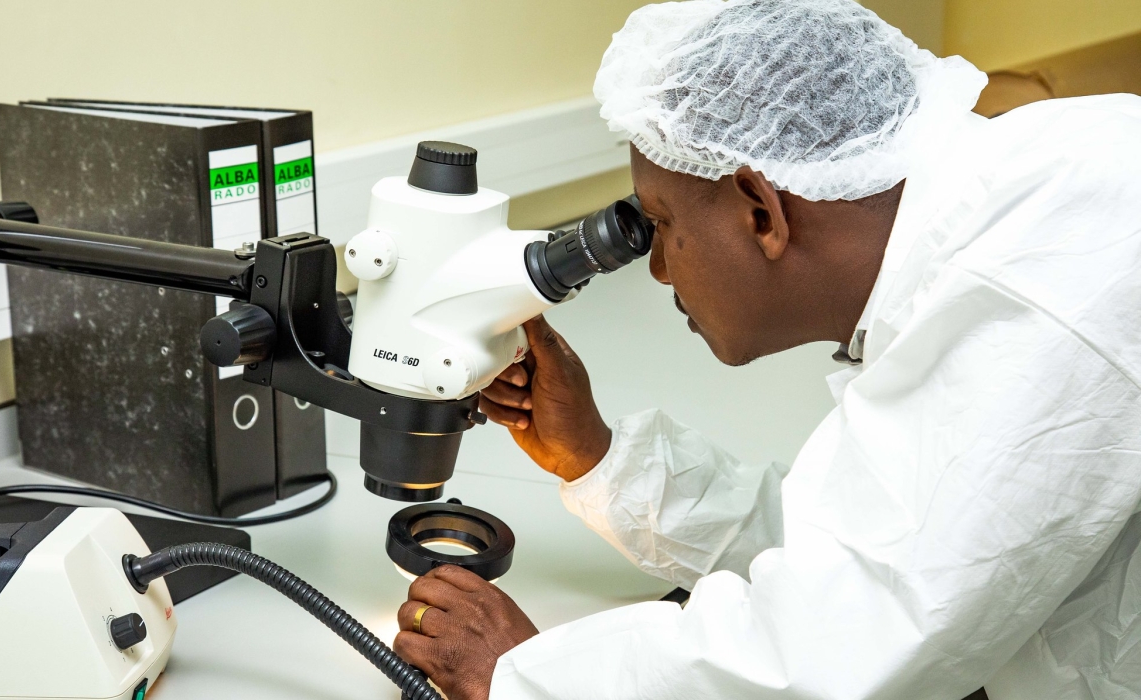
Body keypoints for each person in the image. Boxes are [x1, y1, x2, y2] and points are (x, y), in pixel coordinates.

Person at [392, 1, 1141, 698]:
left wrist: (529, 679)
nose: (656, 267)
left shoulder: (1032, 275)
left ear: (761, 211)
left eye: (662, 223)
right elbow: (879, 543)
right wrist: (598, 459)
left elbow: (847, 646)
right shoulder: (993, 225)